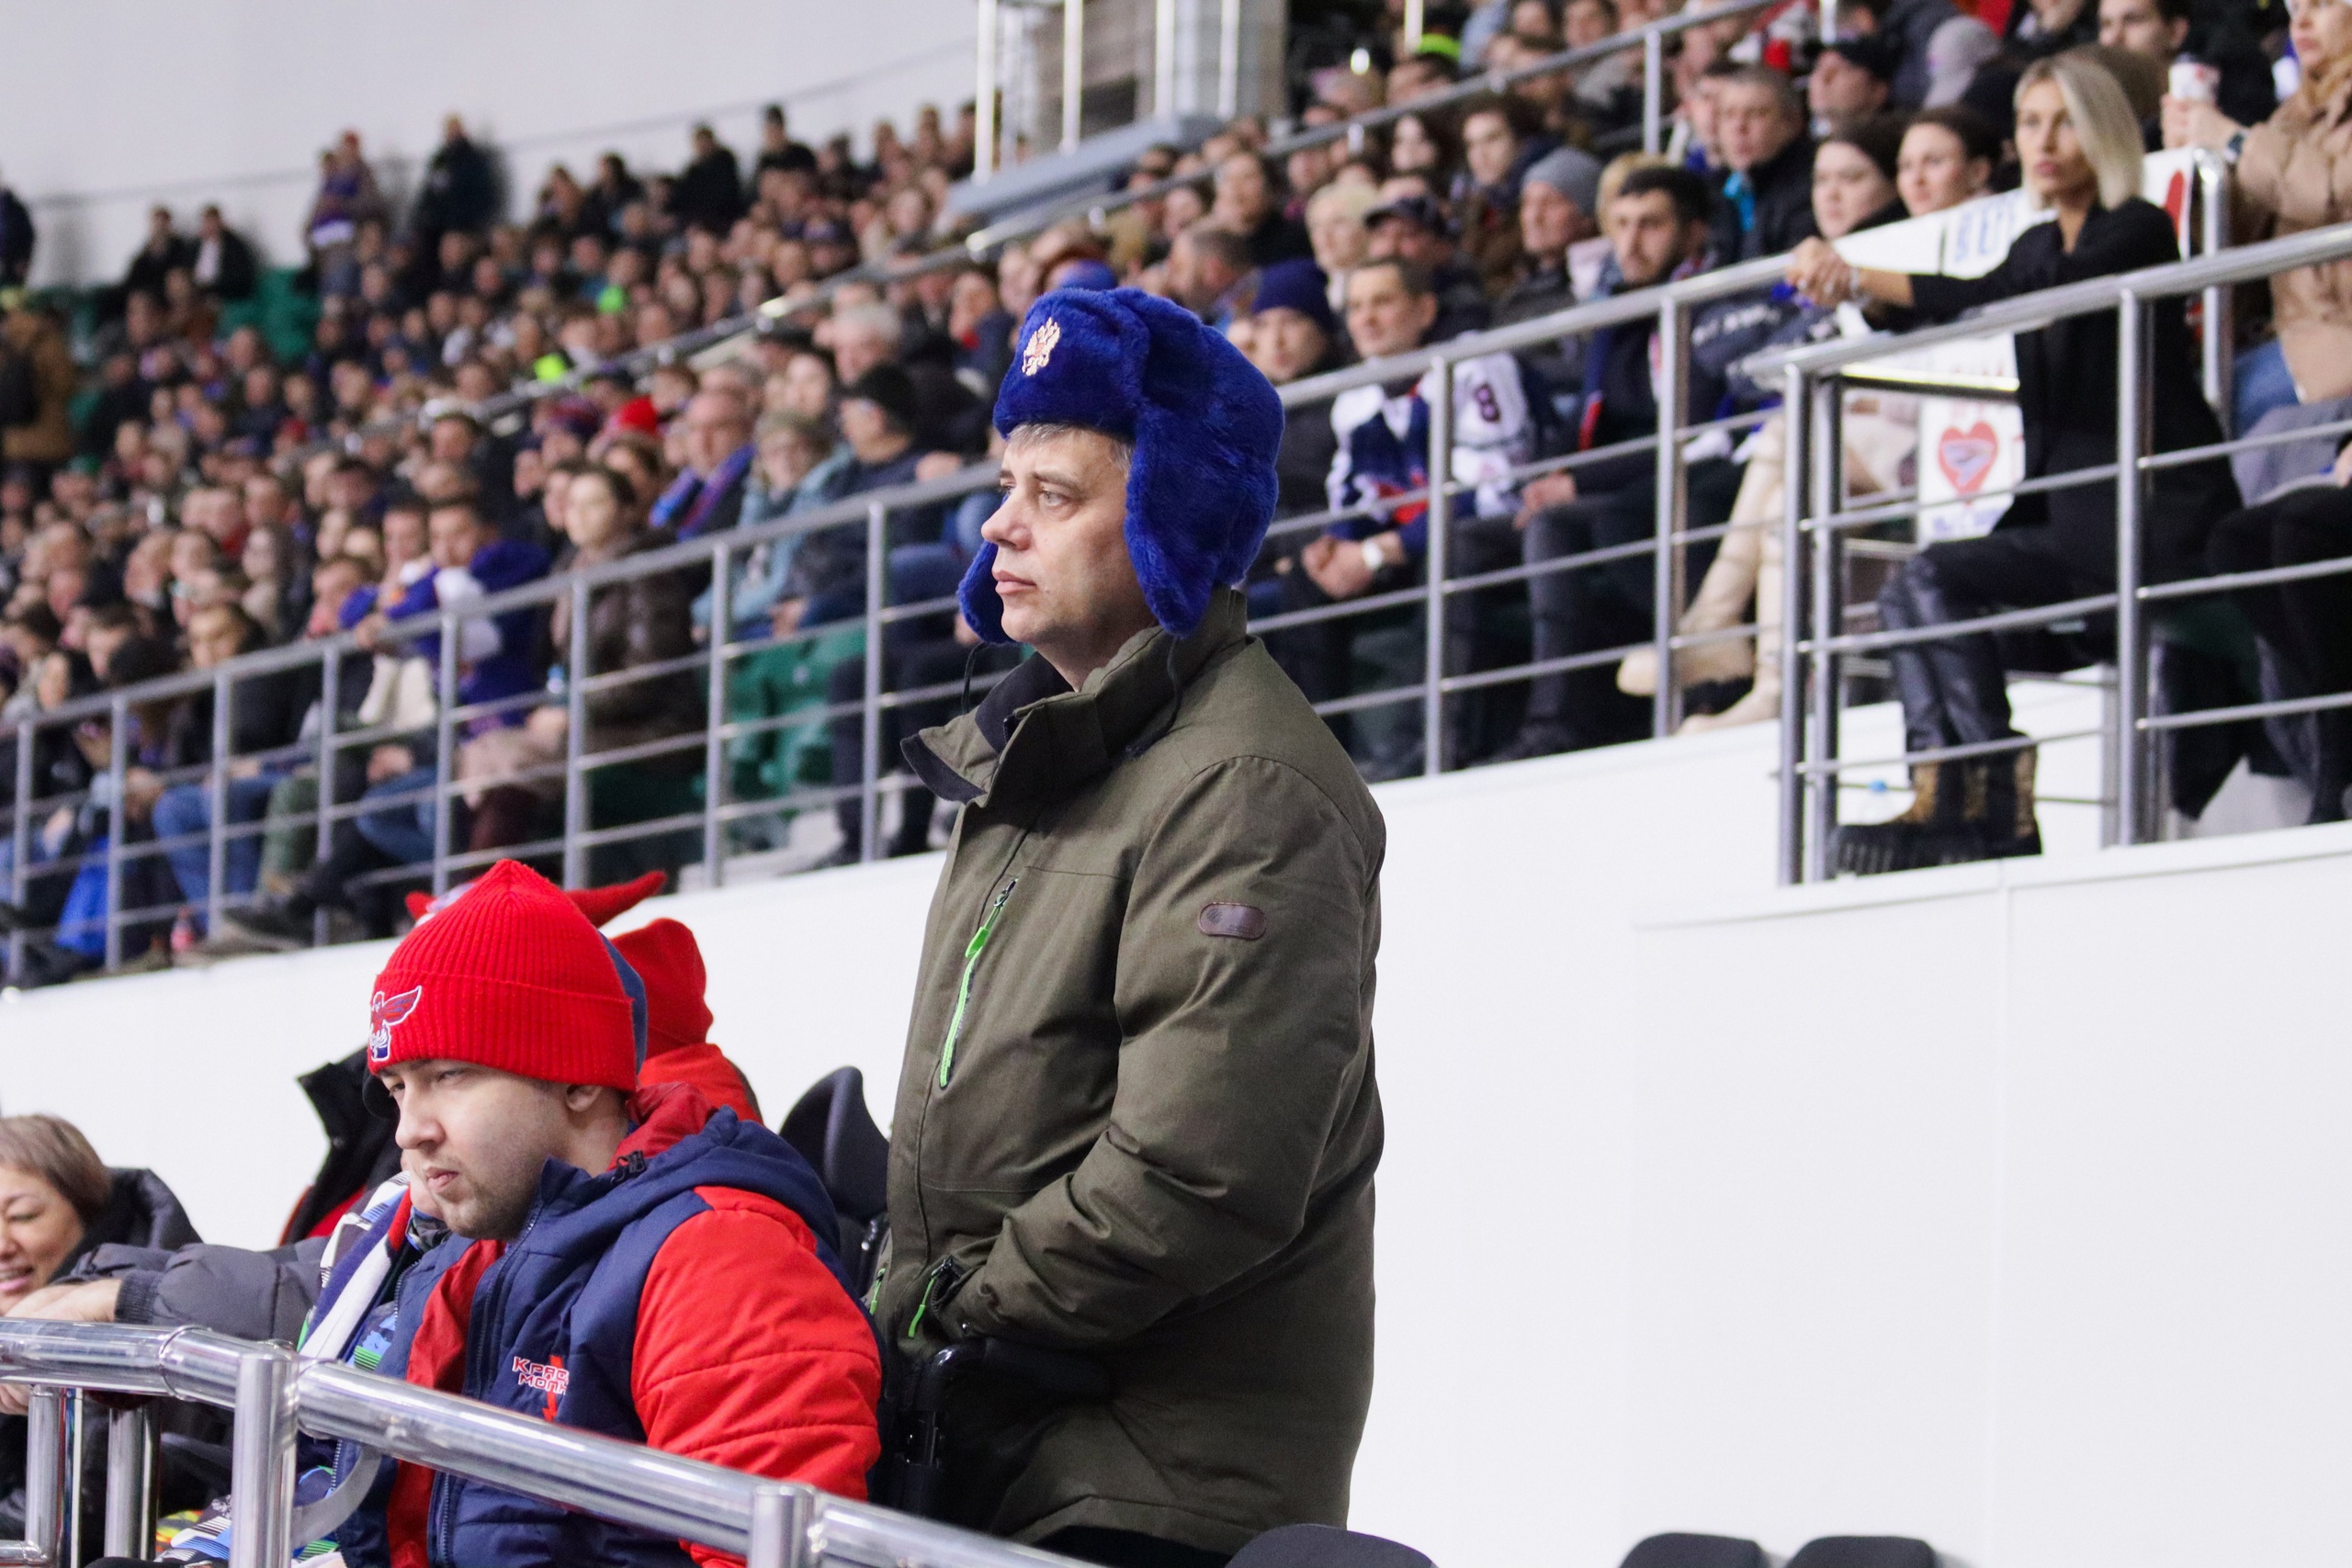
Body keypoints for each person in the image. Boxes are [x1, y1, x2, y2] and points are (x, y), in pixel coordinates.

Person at [882, 287, 1383, 1567]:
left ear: (1172, 516)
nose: (1000, 522)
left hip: (1139, 1489)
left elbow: (1196, 1172)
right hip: (1013, 1448)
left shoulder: (1244, 786)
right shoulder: (1051, 751)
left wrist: (944, 1316)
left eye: (1053, 493)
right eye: (1007, 484)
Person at [227, 861, 881, 1567]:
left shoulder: (722, 1261)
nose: (410, 1130)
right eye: (397, 1088)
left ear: (577, 1079)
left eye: (449, 1075)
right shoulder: (479, 1242)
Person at [1789, 52, 2241, 872]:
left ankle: (1987, 803)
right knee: (1914, 590)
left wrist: (1856, 271)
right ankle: (1952, 797)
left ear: (2104, 130)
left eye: (2065, 122)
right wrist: (1858, 290)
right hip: (2078, 518)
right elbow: (1962, 297)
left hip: (2154, 515)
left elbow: (2009, 289)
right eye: (2030, 123)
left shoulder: (2137, 226)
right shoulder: (2038, 238)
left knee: (1933, 580)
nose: (2043, 141)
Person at [1495, 164, 1744, 761]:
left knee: (1608, 522)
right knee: (1520, 532)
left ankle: (1709, 681)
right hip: (1621, 476)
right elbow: (1590, 414)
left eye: (1650, 225)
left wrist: (1577, 480)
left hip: (1689, 470)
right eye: (1622, 225)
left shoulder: (1706, 304)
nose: (1630, 243)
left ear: (1693, 234)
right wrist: (1549, 476)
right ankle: (1553, 720)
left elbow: (1690, 431)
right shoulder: (1616, 311)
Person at [1276, 257, 1533, 777]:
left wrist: (1377, 551)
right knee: (1303, 580)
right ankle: (1318, 764)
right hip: (1410, 541)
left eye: (1383, 302)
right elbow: (1355, 496)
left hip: (1498, 530)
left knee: (1452, 552)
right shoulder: (1356, 396)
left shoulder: (1475, 364)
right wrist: (1337, 542)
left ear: (1425, 310)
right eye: (1356, 307)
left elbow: (1492, 489)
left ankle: (1436, 741)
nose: (1366, 319)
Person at [0, 1114, 202, 1534]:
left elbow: (72, 1518)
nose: (2, 1245)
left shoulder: (138, 1319)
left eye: (22, 1216)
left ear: (91, 1215)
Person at [2164, 0, 2352, 431]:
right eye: (2295, 7)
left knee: (2198, 419)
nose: (2301, 21)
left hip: (2335, 337)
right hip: (2289, 336)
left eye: (2322, 5)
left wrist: (2231, 139)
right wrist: (2197, 169)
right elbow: (2239, 234)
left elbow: (2327, 192)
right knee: (2166, 401)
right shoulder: (2293, 116)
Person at [1712, 66, 1820, 261]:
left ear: (1792, 121)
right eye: (1728, 115)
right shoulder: (1715, 189)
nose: (1739, 127)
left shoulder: (1813, 182)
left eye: (1756, 114)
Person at [1809, 39, 1899, 137]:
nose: (1822, 79)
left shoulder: (1903, 140)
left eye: (1842, 68)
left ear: (1877, 89)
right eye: (1818, 67)